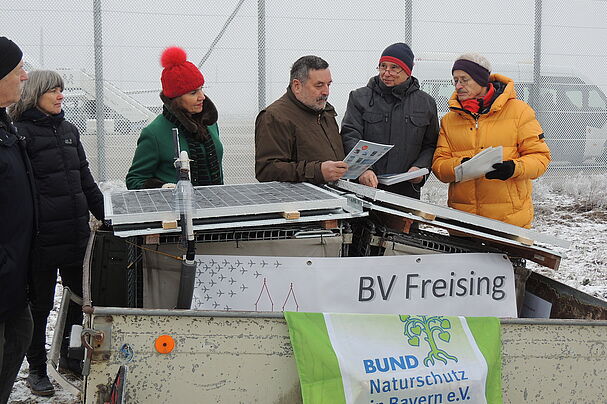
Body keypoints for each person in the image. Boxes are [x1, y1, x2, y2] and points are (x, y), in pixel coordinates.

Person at [9, 70, 104, 396]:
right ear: (35, 93)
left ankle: (71, 353)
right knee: (39, 306)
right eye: (54, 90)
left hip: (76, 235)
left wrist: (106, 217)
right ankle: (36, 368)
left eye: (62, 89)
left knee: (82, 300)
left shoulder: (68, 130)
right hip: (41, 242)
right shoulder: (20, 134)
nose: (61, 95)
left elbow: (86, 181)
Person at [432, 53, 551, 228]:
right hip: (464, 221)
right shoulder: (449, 120)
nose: (458, 86)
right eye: (455, 80)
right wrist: (461, 166)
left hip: (509, 221)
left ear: (481, 80)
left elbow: (541, 158)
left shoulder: (519, 112)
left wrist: (513, 168)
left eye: (465, 79)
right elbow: (439, 165)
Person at [341, 43, 439, 199]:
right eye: (382, 66)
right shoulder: (359, 98)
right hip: (365, 189)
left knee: (404, 224)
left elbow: (431, 144)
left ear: (407, 71)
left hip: (406, 191)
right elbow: (350, 135)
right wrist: (363, 170)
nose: (386, 73)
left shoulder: (426, 103)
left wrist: (420, 168)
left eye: (394, 67)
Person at [126, 46, 223, 189]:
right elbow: (134, 180)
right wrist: (163, 188)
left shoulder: (210, 124)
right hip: (175, 209)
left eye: (201, 88)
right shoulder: (154, 133)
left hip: (214, 207)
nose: (201, 96)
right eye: (193, 93)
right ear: (176, 99)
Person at [0, 37, 34, 404]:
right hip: (3, 274)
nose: (24, 77)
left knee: (21, 335)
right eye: (16, 71)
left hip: (12, 278)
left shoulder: (6, 129)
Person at [255, 55, 347, 184]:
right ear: (297, 86)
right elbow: (267, 171)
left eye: (328, 84)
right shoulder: (275, 117)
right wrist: (318, 171)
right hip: (300, 202)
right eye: (319, 85)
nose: (326, 92)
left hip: (334, 197)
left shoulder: (326, 112)